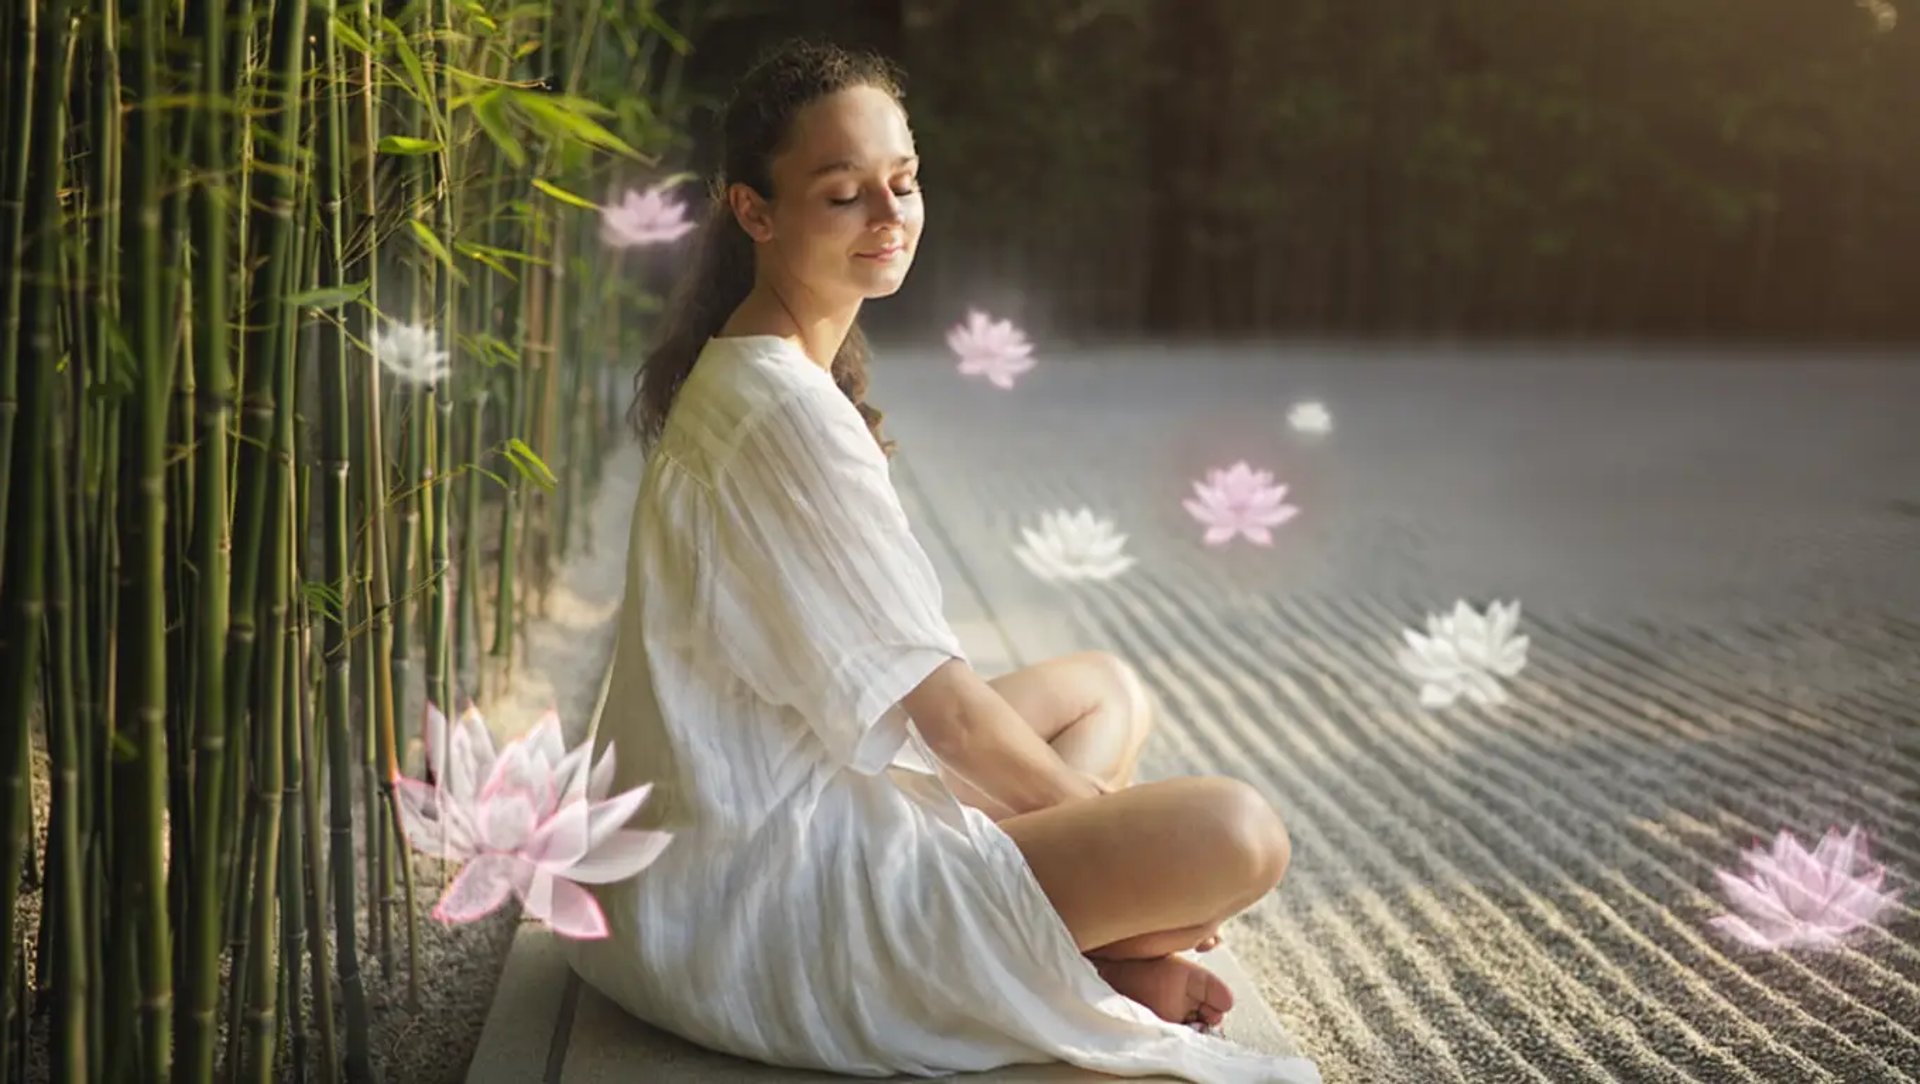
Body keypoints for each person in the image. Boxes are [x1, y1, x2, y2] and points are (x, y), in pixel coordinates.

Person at [567, 38, 1321, 1084]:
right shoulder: (785, 412)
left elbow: (910, 701)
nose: (890, 217)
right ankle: (1084, 945)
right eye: (844, 196)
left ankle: (1087, 935)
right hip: (765, 909)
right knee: (1240, 836)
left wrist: (1098, 851)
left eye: (905, 182)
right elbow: (948, 716)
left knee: (1105, 685)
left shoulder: (754, 368)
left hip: (690, 872)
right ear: (755, 210)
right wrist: (1120, 847)